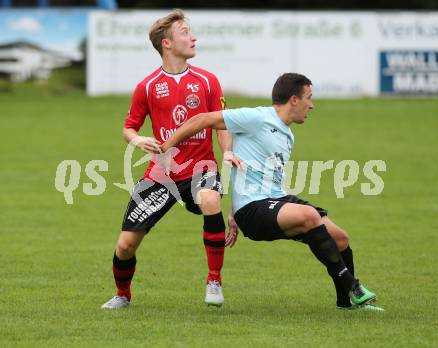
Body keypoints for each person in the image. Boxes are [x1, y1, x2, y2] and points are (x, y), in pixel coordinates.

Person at [160, 73, 384, 311]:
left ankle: (346, 303)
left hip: (274, 200)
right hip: (253, 211)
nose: (312, 104)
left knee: (340, 238)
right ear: (293, 100)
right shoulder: (257, 117)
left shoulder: (288, 134)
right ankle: (354, 286)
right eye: (309, 97)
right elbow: (203, 119)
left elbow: (263, 175)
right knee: (309, 216)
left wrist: (232, 212)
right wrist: (165, 147)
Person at [102, 9, 240, 309]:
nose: (193, 37)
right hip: (161, 174)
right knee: (125, 245)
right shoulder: (148, 86)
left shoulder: (207, 81)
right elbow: (129, 127)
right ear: (166, 43)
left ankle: (214, 279)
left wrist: (227, 150)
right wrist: (137, 139)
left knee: (211, 200)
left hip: (201, 168)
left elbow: (222, 123)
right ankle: (122, 295)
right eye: (185, 32)